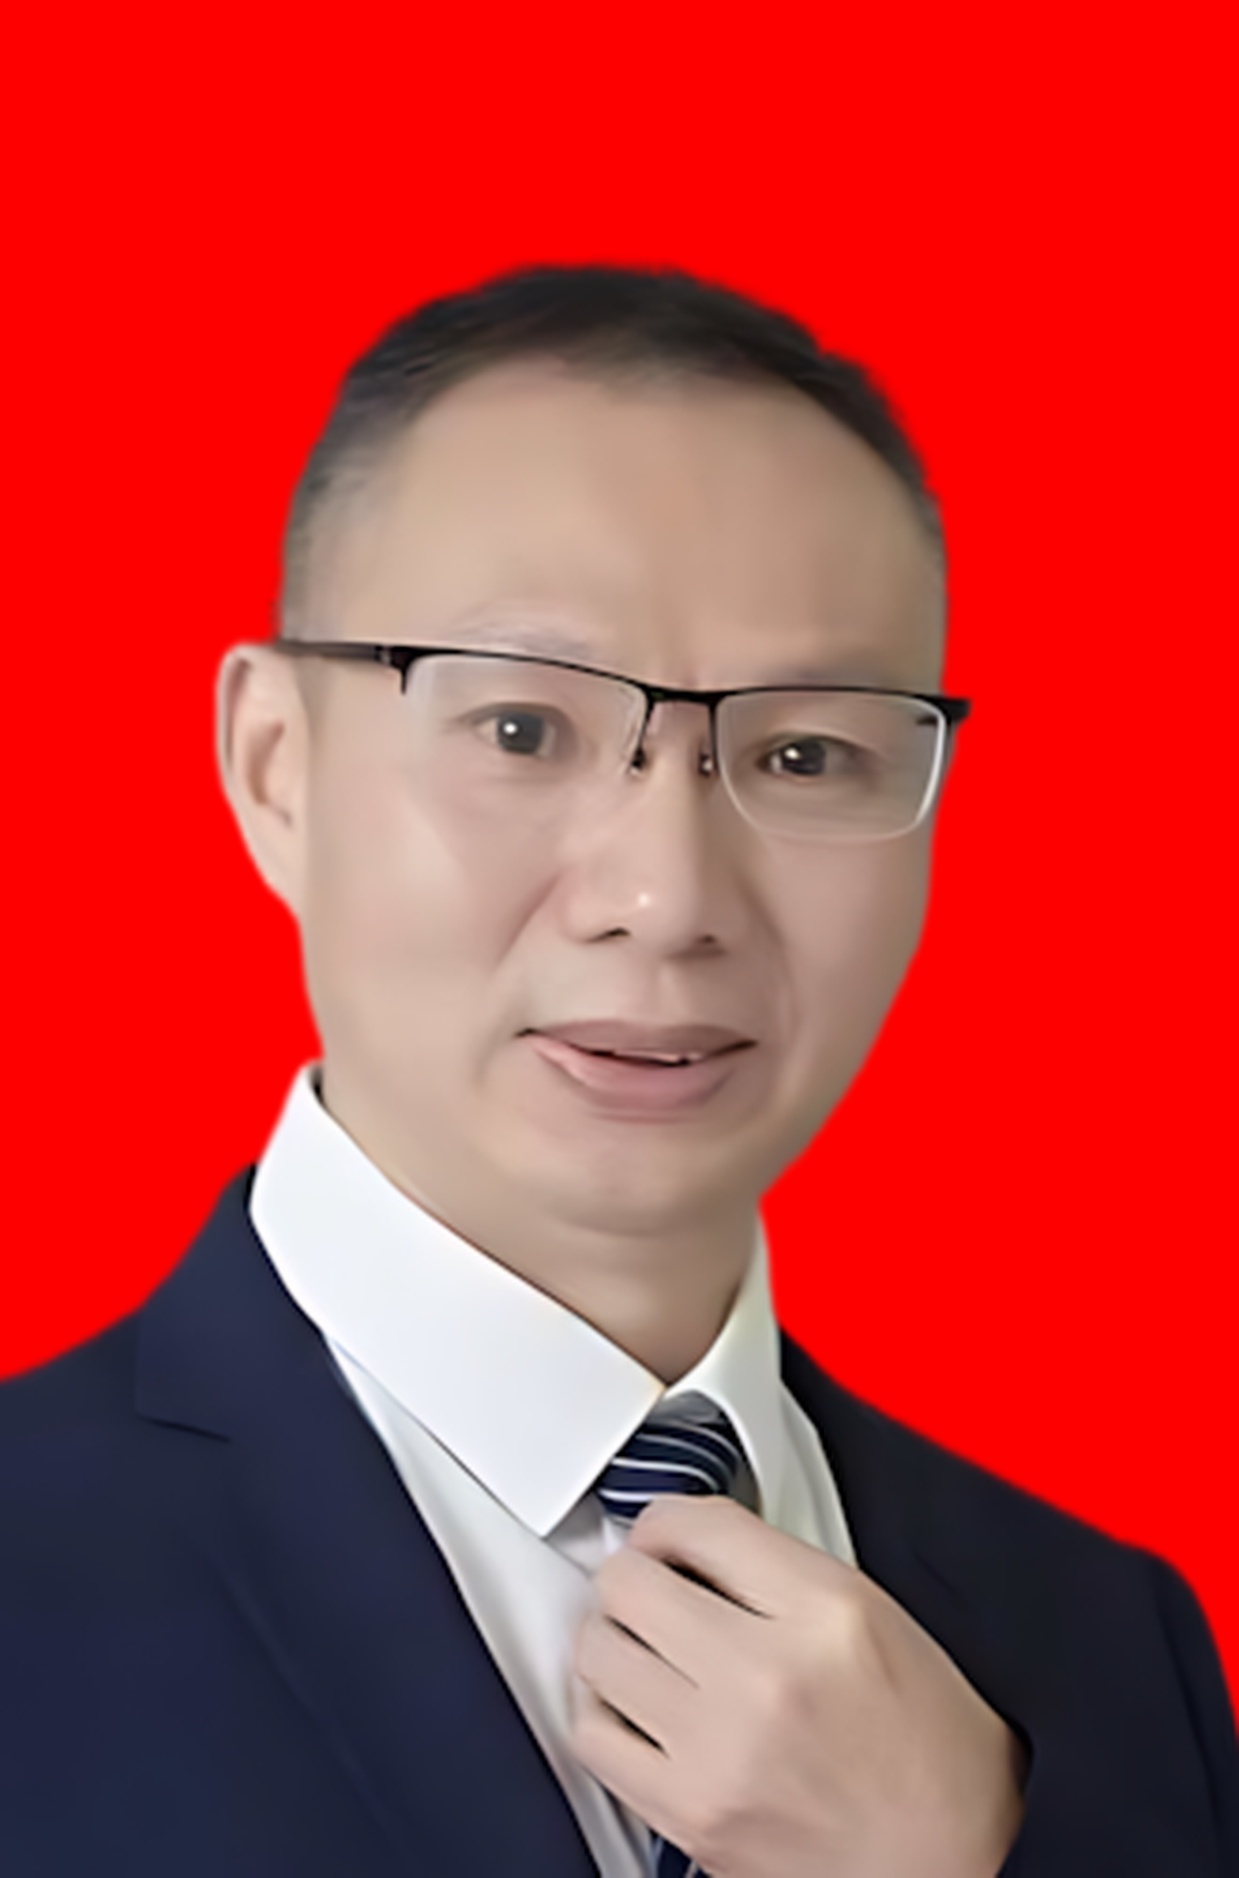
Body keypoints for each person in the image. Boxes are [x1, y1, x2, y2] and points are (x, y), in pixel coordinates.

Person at [1, 266, 1235, 1878]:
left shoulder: (1113, 1643)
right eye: (525, 730)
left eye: (805, 752)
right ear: (276, 768)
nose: (667, 897)